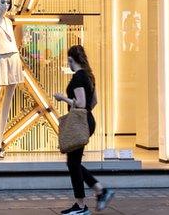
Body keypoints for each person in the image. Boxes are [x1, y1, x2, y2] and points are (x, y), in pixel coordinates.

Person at [52, 45, 115, 214]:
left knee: (73, 163)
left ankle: (82, 205)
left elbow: (80, 102)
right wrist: (85, 114)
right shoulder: (89, 76)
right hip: (87, 121)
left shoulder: (79, 77)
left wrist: (62, 98)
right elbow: (93, 102)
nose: (68, 63)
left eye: (68, 60)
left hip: (80, 123)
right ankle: (98, 192)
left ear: (72, 60)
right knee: (74, 163)